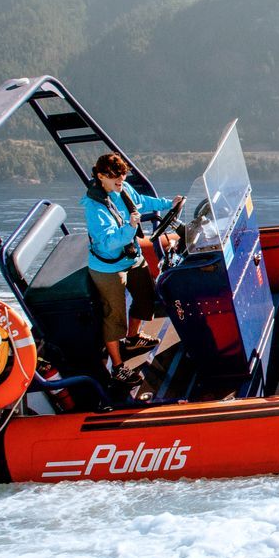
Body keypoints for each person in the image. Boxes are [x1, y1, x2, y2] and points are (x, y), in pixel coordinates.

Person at [81, 152, 181, 385]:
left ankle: (134, 338)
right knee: (114, 316)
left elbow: (142, 202)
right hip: (108, 267)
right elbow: (108, 242)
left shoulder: (122, 189)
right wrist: (130, 226)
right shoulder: (94, 208)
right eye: (115, 178)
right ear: (100, 176)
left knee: (146, 296)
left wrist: (169, 203)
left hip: (131, 257)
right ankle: (117, 367)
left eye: (122, 176)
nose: (120, 181)